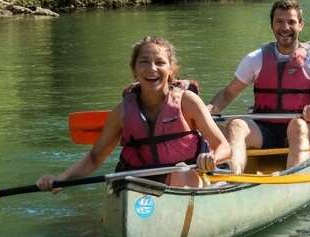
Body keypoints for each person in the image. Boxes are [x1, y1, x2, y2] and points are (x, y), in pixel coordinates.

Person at [38, 36, 232, 191]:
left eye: (160, 62)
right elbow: (94, 158)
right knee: (126, 184)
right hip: (139, 183)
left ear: (171, 70)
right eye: (144, 62)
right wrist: (61, 178)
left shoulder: (187, 101)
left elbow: (223, 146)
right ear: (134, 70)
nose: (152, 69)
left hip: (185, 177)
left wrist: (212, 158)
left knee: (181, 171)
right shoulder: (121, 113)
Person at [209, 0, 310, 170]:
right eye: (279, 21)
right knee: (237, 124)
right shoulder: (255, 59)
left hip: (304, 129)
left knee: (297, 126)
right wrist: (209, 110)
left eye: (291, 22)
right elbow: (227, 94)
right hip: (265, 131)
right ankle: (233, 179)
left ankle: (295, 180)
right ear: (272, 25)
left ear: (301, 25)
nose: (285, 27)